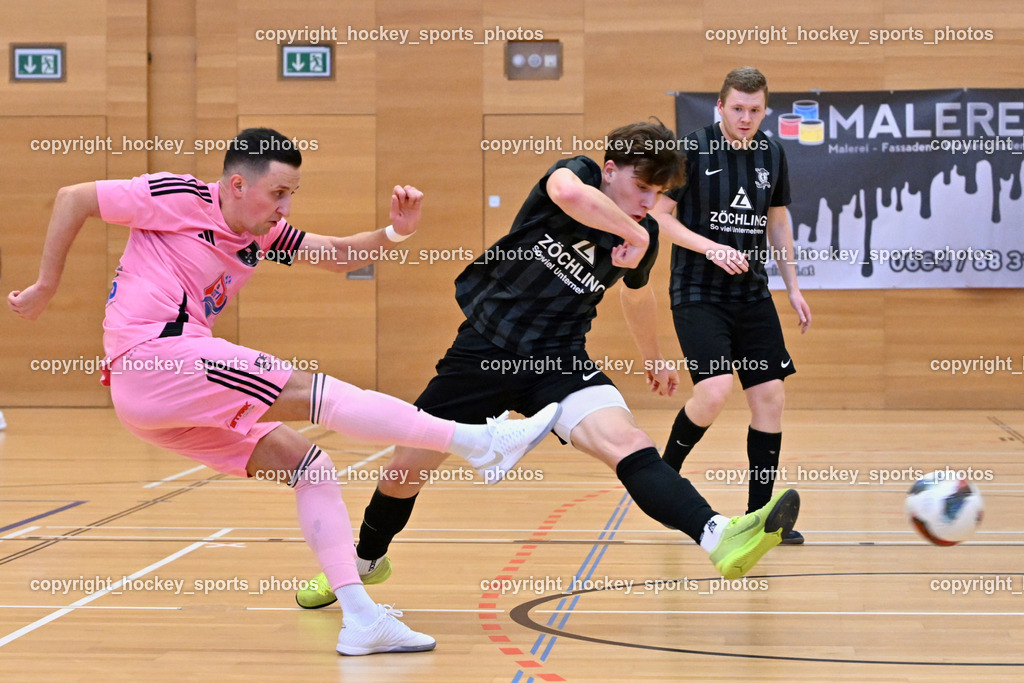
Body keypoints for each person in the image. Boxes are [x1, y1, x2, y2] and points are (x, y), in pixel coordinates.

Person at [7, 128, 561, 656]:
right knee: (311, 390)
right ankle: (479, 444)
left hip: (156, 398)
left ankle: (362, 619)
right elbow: (73, 196)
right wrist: (46, 285)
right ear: (236, 184)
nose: (285, 208)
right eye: (277, 193)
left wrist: (396, 233)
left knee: (308, 465)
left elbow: (338, 253)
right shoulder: (176, 196)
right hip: (154, 357)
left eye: (292, 195)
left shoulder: (263, 234)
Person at [295, 119, 801, 610]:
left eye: (657, 192)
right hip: (485, 352)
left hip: (558, 360)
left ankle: (717, 534)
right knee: (405, 471)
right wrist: (638, 233)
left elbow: (637, 299)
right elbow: (567, 194)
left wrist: (656, 359)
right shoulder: (579, 174)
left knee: (628, 443)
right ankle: (365, 561)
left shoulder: (640, 238)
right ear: (609, 169)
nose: (648, 202)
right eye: (642, 186)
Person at [650, 67, 812, 544]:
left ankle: (761, 517)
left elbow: (777, 223)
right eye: (737, 108)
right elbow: (660, 218)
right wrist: (710, 247)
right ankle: (662, 476)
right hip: (698, 291)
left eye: (755, 110)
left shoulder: (772, 152)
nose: (746, 118)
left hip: (752, 294)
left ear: (765, 110)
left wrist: (794, 286)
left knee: (770, 396)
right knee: (716, 391)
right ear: (720, 106)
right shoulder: (692, 150)